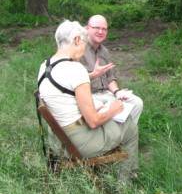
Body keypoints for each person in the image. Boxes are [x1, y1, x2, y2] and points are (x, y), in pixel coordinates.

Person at [37, 20, 138, 180]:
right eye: (84, 43)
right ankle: (124, 183)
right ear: (77, 40)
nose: (84, 50)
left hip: (56, 141)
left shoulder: (45, 66)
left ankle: (107, 170)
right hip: (76, 144)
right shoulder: (76, 69)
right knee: (130, 127)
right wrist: (114, 109)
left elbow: (64, 85)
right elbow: (93, 121)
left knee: (103, 109)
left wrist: (90, 76)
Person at [80, 15, 143, 127]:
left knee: (136, 103)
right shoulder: (78, 50)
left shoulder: (104, 52)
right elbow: (73, 81)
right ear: (87, 28)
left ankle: (126, 134)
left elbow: (110, 78)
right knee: (103, 109)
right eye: (96, 28)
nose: (100, 31)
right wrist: (93, 75)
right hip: (89, 96)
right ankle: (109, 138)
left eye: (104, 29)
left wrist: (117, 92)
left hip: (106, 93)